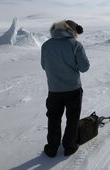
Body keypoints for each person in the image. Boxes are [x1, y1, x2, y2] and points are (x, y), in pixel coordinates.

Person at [41, 20, 90, 157]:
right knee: (72, 118)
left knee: (53, 119)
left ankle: (52, 148)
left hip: (54, 90)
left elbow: (44, 66)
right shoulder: (75, 45)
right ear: (72, 31)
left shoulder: (46, 45)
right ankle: (70, 146)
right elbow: (84, 68)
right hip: (73, 89)